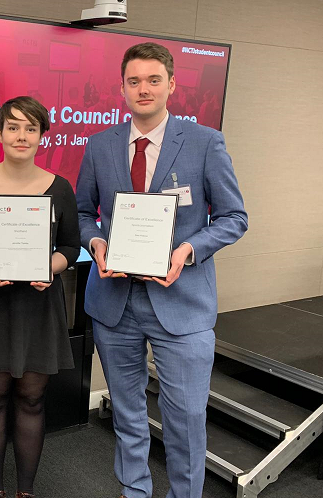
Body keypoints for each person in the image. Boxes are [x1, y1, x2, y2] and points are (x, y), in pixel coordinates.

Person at [76, 42, 248, 498]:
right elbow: (82, 213)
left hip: (183, 302)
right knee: (128, 413)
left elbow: (234, 218)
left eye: (154, 80)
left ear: (172, 85)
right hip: (114, 304)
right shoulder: (99, 145)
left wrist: (188, 249)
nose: (144, 89)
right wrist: (96, 242)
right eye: (134, 81)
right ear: (122, 88)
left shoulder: (205, 142)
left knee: (186, 418)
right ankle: (136, 491)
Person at [0, 96, 81, 498]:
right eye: (13, 127)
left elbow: (70, 247)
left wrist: (52, 268)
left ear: (42, 135)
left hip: (39, 306)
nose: (21, 136)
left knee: (31, 399)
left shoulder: (59, 188)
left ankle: (25, 491)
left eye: (30, 128)